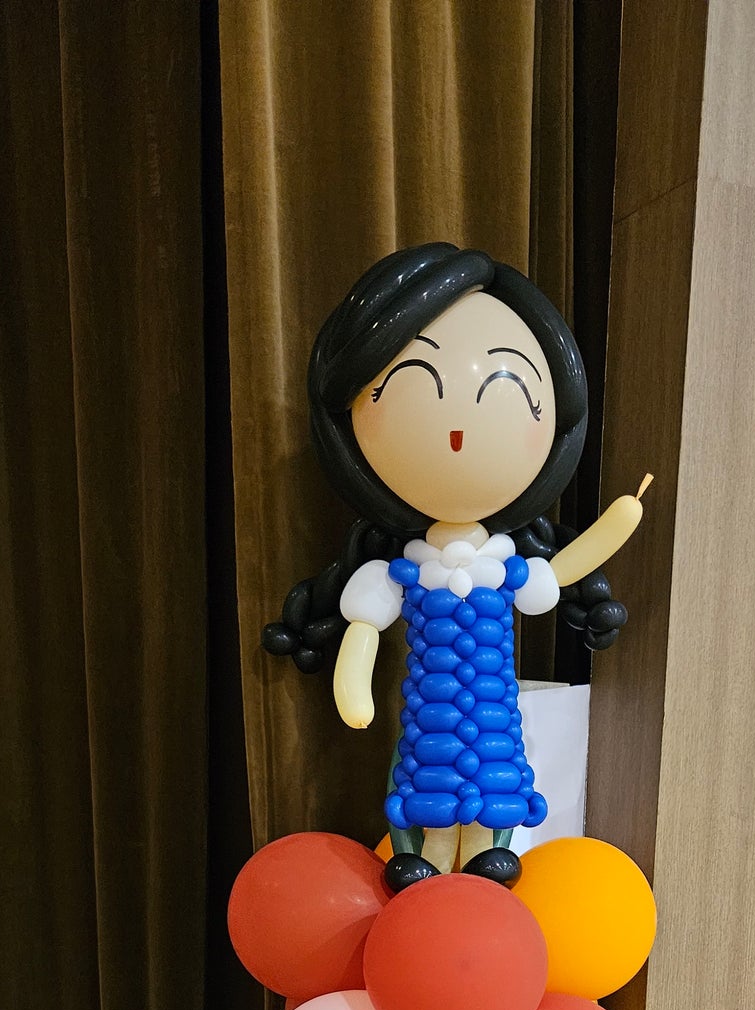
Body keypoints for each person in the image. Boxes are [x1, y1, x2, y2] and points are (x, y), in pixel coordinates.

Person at [264, 243, 646, 889]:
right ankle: (431, 853)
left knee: (493, 764)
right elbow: (363, 627)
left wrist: (619, 522)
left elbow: (559, 573)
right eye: (416, 387)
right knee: (429, 766)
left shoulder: (507, 569)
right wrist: (353, 688)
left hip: (493, 726)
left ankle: (483, 853)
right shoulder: (400, 571)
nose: (458, 432)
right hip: (429, 731)